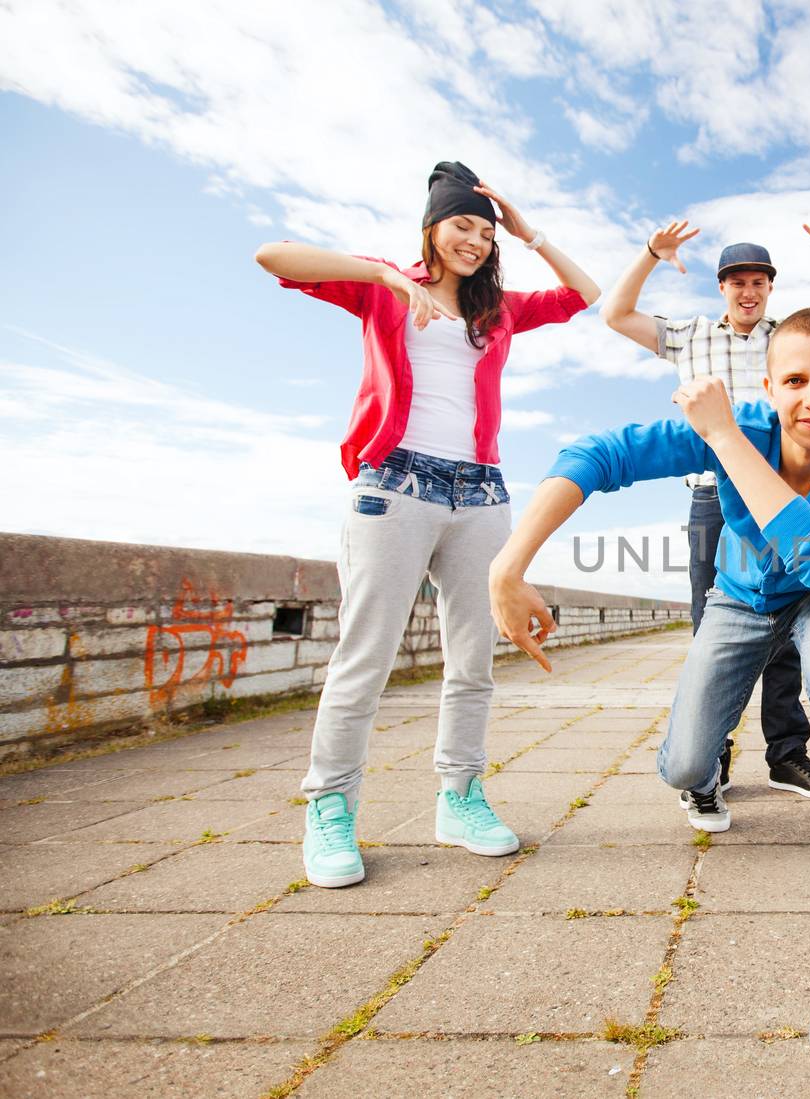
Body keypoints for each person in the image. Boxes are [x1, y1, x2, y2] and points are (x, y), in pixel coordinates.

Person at [488, 308, 810, 1058]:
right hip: (738, 593)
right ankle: (703, 779)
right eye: (794, 380)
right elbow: (599, 453)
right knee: (688, 762)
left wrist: (724, 437)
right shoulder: (751, 422)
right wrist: (509, 564)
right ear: (769, 384)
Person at [254, 161, 600, 888]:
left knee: (473, 661)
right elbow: (273, 257)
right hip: (392, 485)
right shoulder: (384, 284)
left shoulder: (496, 309)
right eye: (461, 225)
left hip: (480, 495)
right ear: (432, 228)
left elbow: (583, 295)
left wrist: (527, 228)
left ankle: (460, 796)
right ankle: (330, 807)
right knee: (365, 658)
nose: (474, 241)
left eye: (484, 230)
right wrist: (385, 279)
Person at [596, 218, 810, 801]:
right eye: (736, 283)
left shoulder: (790, 337)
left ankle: (787, 754)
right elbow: (615, 314)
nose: (748, 292)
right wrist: (652, 253)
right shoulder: (691, 336)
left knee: (792, 628)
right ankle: (709, 759)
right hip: (714, 491)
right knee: (718, 622)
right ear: (722, 288)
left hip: (790, 493)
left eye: (758, 282)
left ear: (770, 288)